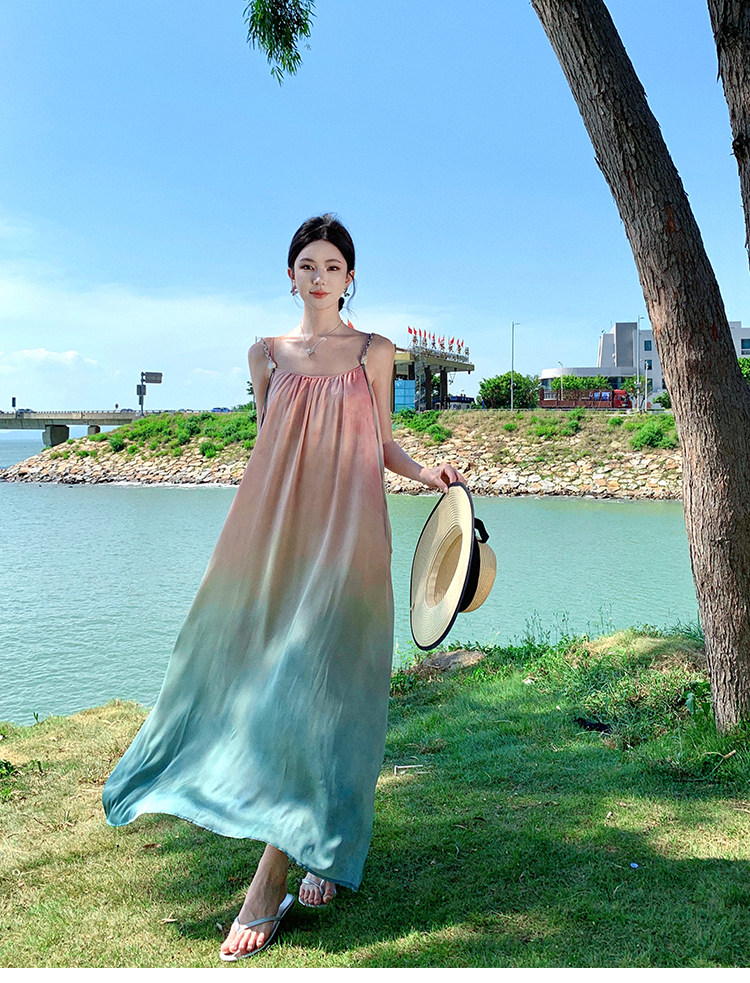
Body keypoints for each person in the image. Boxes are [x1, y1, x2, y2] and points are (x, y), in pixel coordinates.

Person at [102, 214, 466, 960]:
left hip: (350, 533)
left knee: (326, 683)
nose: (319, 276)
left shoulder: (375, 351)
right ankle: (314, 840)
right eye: (307, 264)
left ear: (350, 278)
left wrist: (427, 473)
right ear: (290, 274)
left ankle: (271, 879)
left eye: (332, 266)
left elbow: (382, 442)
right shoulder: (265, 355)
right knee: (254, 674)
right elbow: (274, 445)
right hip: (279, 530)